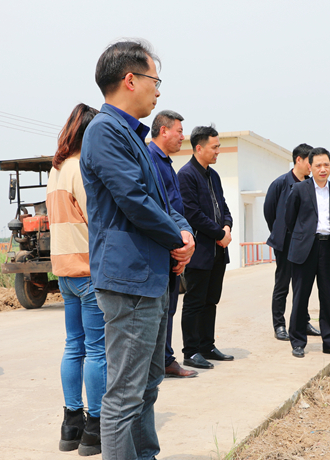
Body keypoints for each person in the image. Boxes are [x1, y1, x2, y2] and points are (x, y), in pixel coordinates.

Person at [80, 39, 195, 460]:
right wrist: (176, 239)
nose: (158, 92)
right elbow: (134, 200)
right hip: (129, 282)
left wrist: (184, 233)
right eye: (154, 81)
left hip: (149, 279)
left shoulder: (134, 137)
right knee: (124, 396)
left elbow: (163, 201)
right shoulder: (105, 132)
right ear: (131, 80)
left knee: (147, 386)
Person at [46, 103, 105, 456]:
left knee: (74, 346)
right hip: (87, 270)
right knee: (97, 350)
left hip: (64, 272)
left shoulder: (55, 171)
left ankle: (71, 424)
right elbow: (96, 218)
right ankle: (95, 427)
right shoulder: (81, 169)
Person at [285, 147, 330, 358]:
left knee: (328, 297)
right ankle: (297, 342)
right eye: (318, 165)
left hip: (329, 248)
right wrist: (304, 236)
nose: (323, 169)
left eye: (326, 165)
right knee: (300, 297)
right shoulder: (299, 189)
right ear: (310, 167)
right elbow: (290, 219)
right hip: (305, 249)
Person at [178, 125, 234, 370]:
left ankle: (207, 346)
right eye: (215, 147)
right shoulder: (186, 175)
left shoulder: (214, 176)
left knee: (211, 300)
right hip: (200, 251)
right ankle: (190, 352)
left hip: (218, 251)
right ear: (199, 148)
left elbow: (224, 207)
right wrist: (219, 233)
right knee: (194, 301)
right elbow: (192, 214)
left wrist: (227, 227)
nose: (218, 151)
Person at [147, 110, 198, 378]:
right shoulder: (150, 160)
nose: (182, 137)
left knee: (169, 308)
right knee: (161, 309)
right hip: (164, 246)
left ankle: (165, 359)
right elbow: (159, 210)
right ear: (163, 130)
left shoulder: (166, 162)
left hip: (175, 245)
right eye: (179, 131)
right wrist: (174, 245)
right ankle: (161, 362)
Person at [263, 143, 321, 341]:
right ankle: (279, 325)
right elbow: (269, 212)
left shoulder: (311, 185)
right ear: (298, 160)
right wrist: (280, 231)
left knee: (302, 285)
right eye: (309, 162)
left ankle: (302, 322)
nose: (312, 166)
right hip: (285, 242)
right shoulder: (280, 183)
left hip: (305, 243)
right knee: (282, 284)